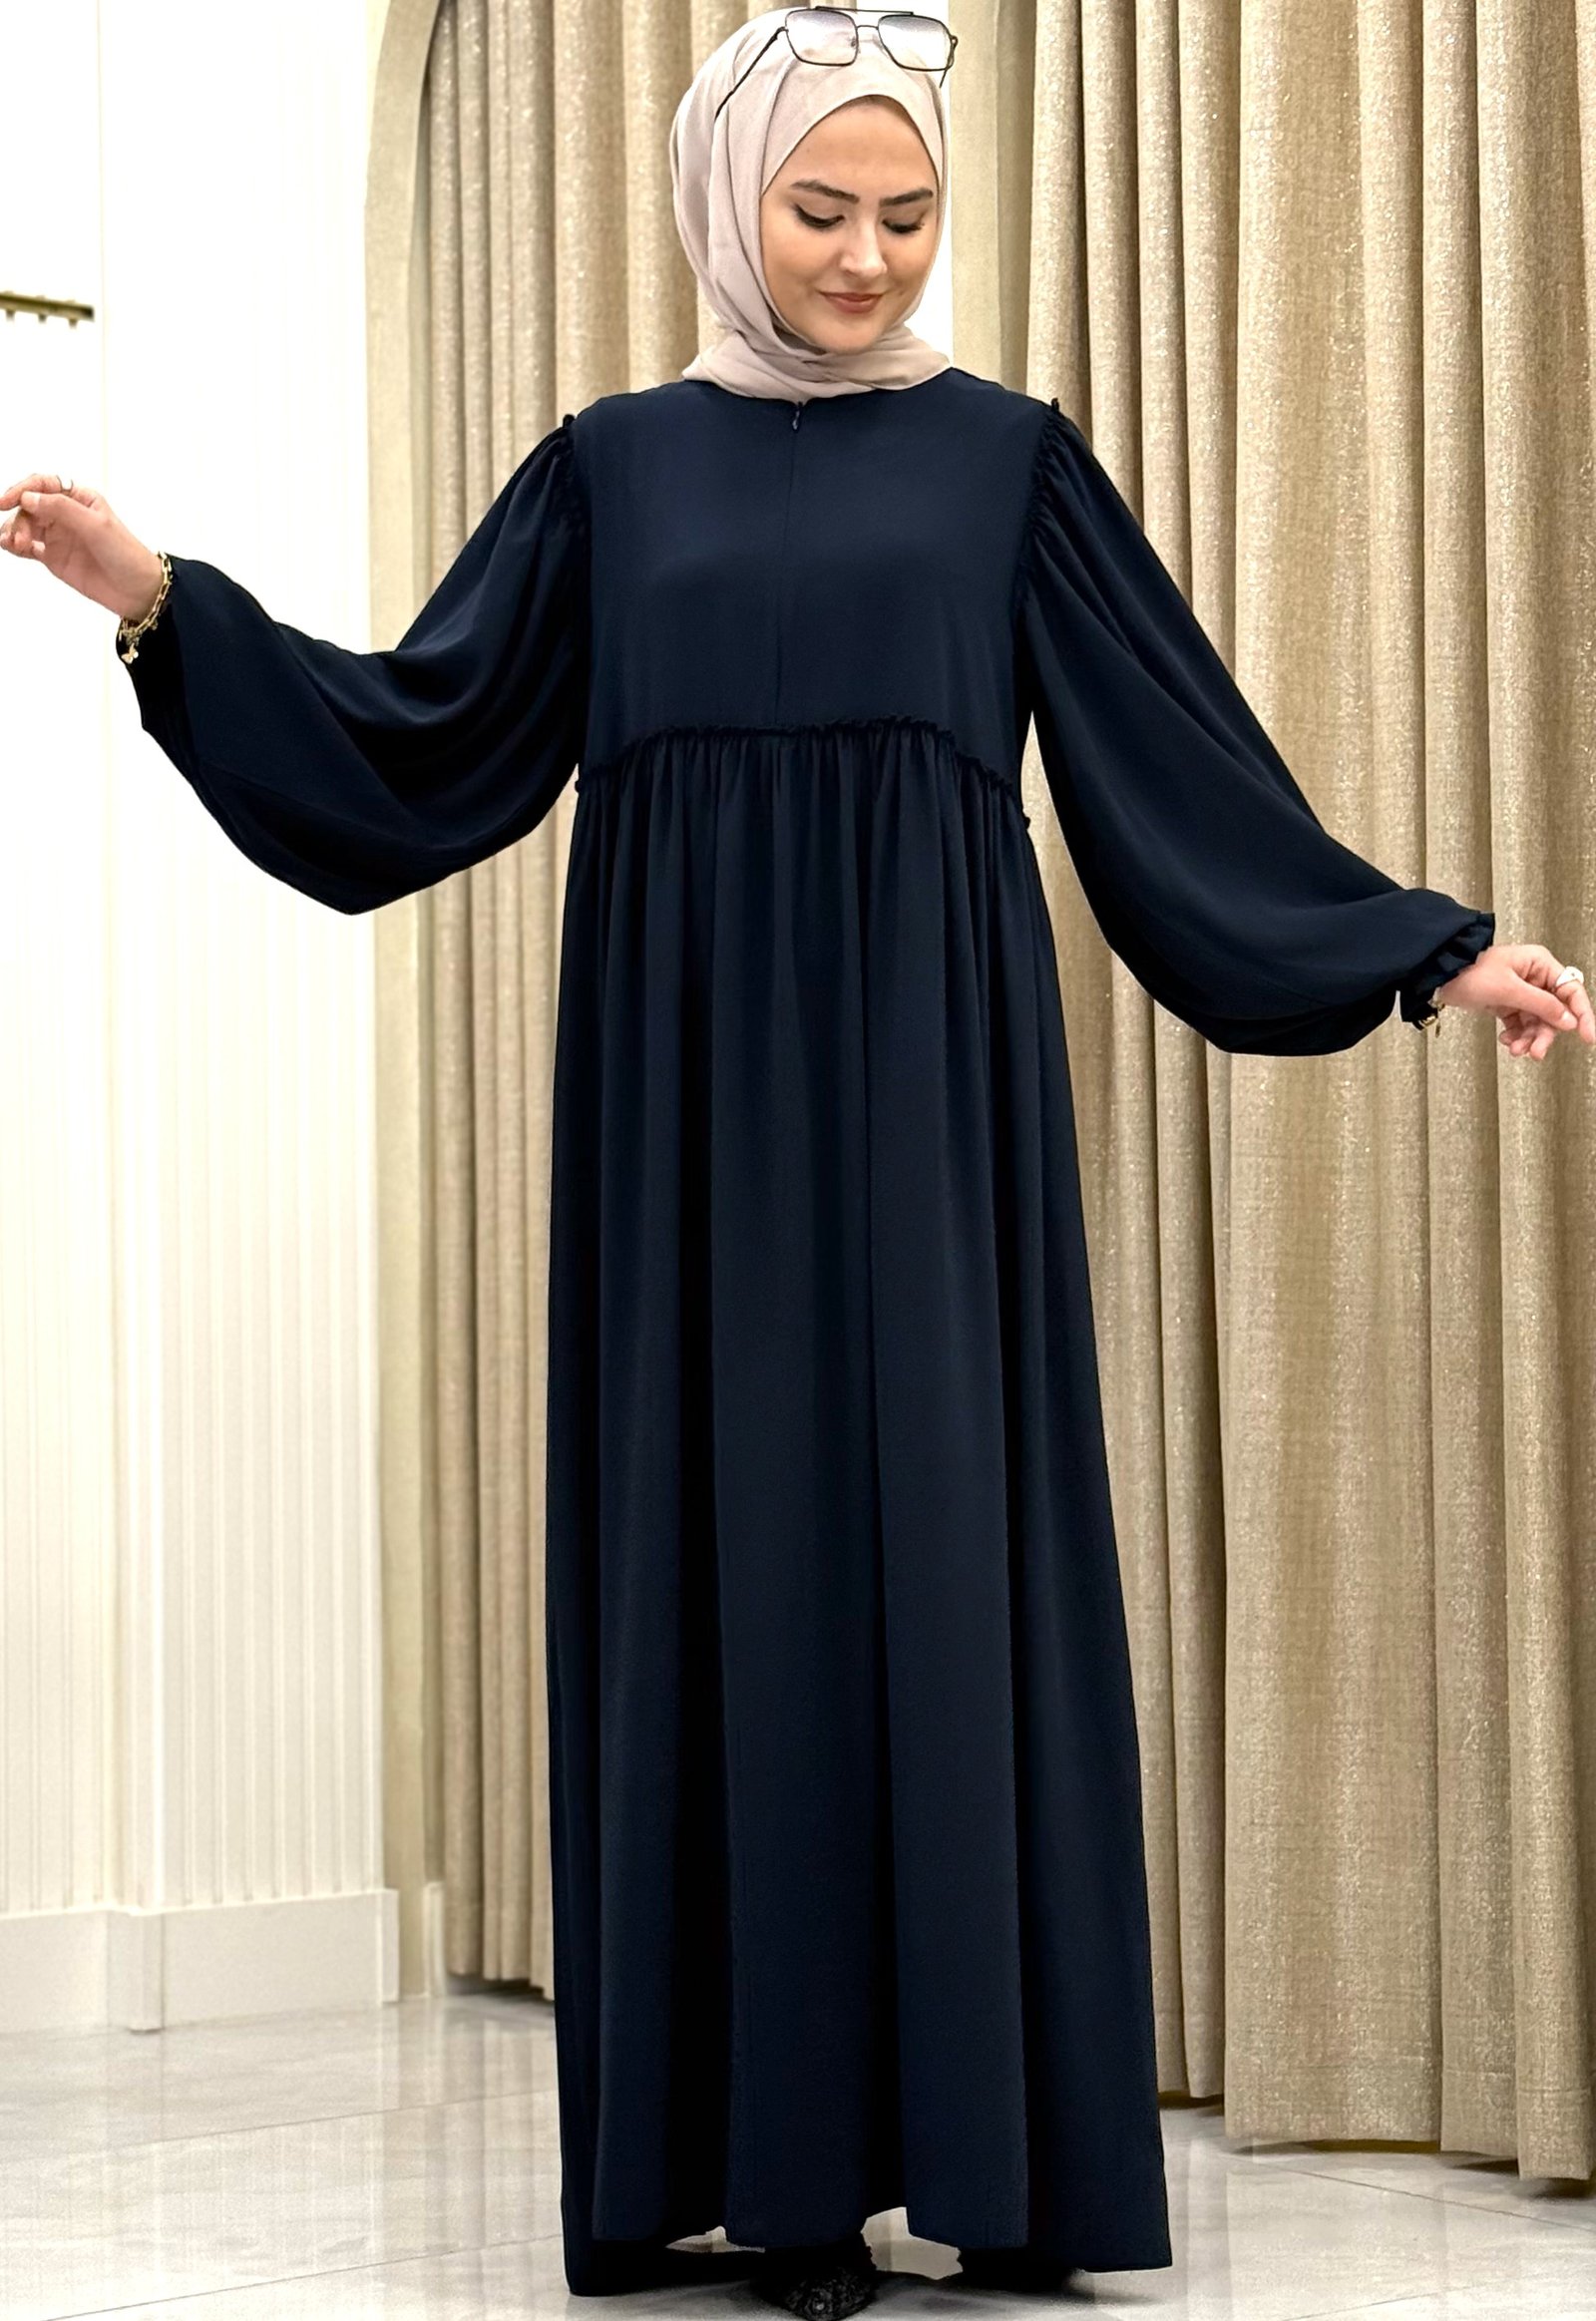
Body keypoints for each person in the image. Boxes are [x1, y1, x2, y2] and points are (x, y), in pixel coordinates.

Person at [5, 8, 1590, 2315]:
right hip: (679, 1111)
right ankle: (774, 2180)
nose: (863, 255)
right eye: (818, 208)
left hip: (933, 1098)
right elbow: (423, 739)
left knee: (943, 1559)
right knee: (721, 1557)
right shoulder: (607, 470)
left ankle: (992, 2167)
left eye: (906, 213)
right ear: (722, 202)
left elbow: (1173, 765)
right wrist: (163, 601)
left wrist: (1420, 951)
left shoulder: (1006, 464)